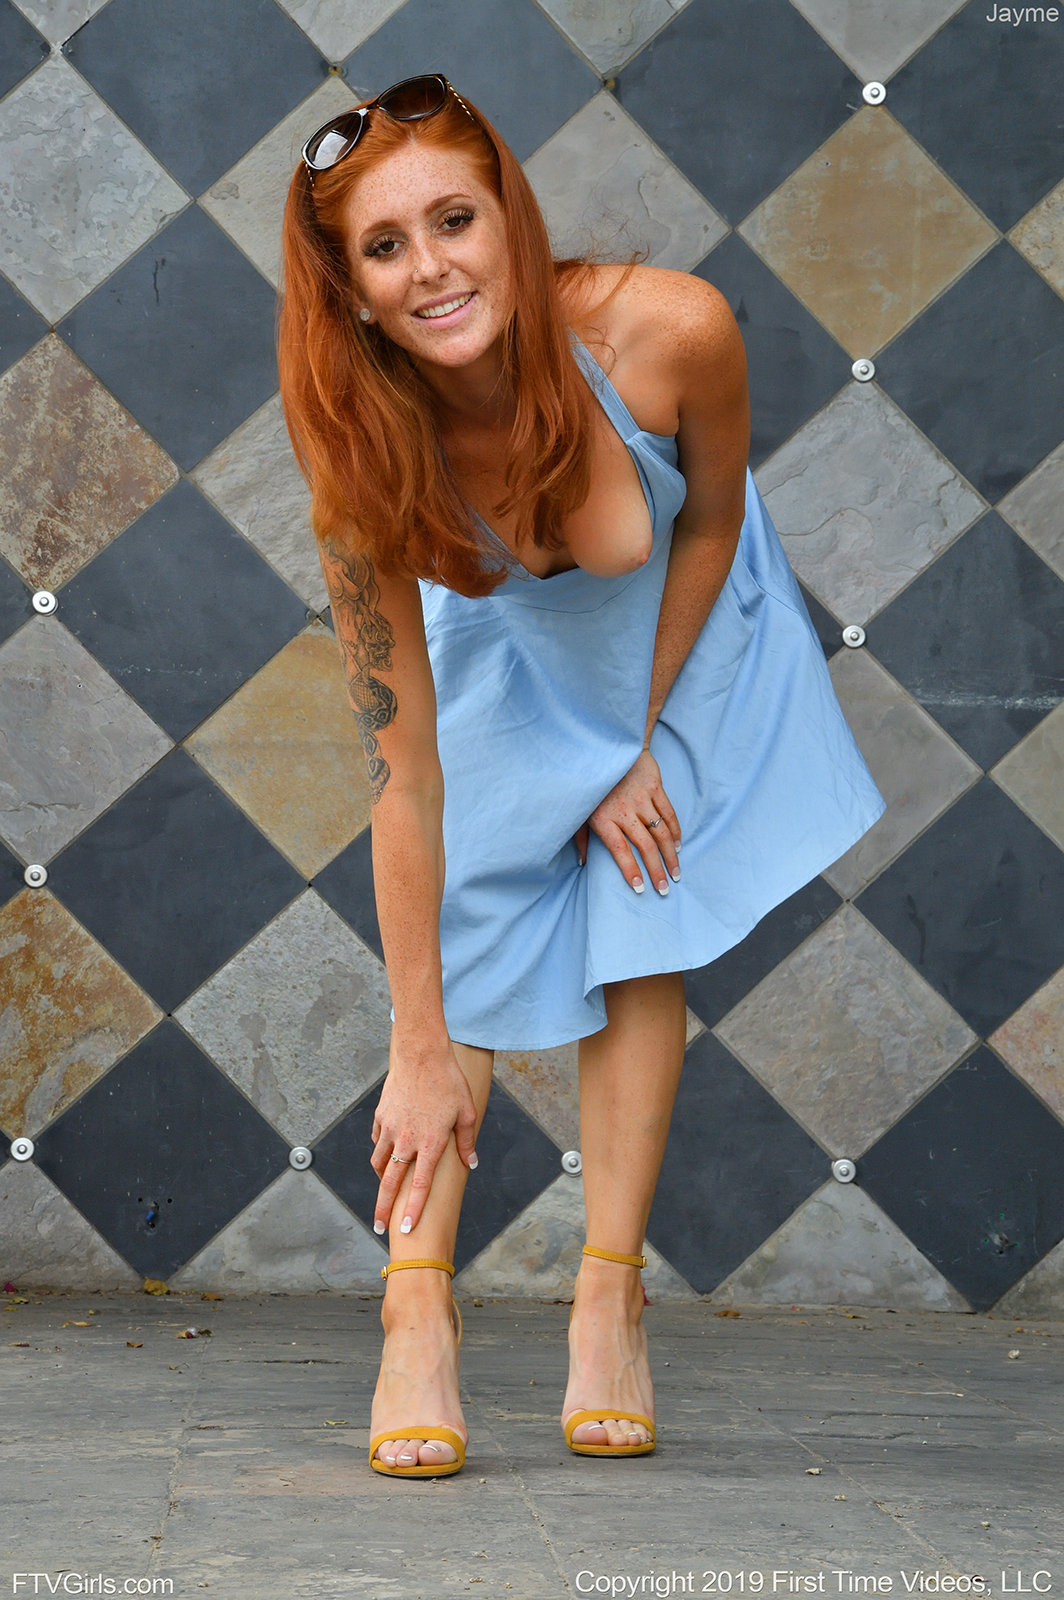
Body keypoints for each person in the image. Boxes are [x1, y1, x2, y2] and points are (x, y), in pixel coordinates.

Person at [278, 74, 885, 1479]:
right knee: (467, 919)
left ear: (510, 214)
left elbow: (713, 525)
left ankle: (609, 1299)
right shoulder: (360, 445)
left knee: (639, 889)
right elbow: (405, 780)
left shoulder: (673, 331)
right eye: (385, 247)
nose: (432, 268)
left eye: (455, 219)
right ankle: (414, 1312)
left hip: (682, 613)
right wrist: (416, 1040)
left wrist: (626, 743)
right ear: (352, 290)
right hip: (508, 630)